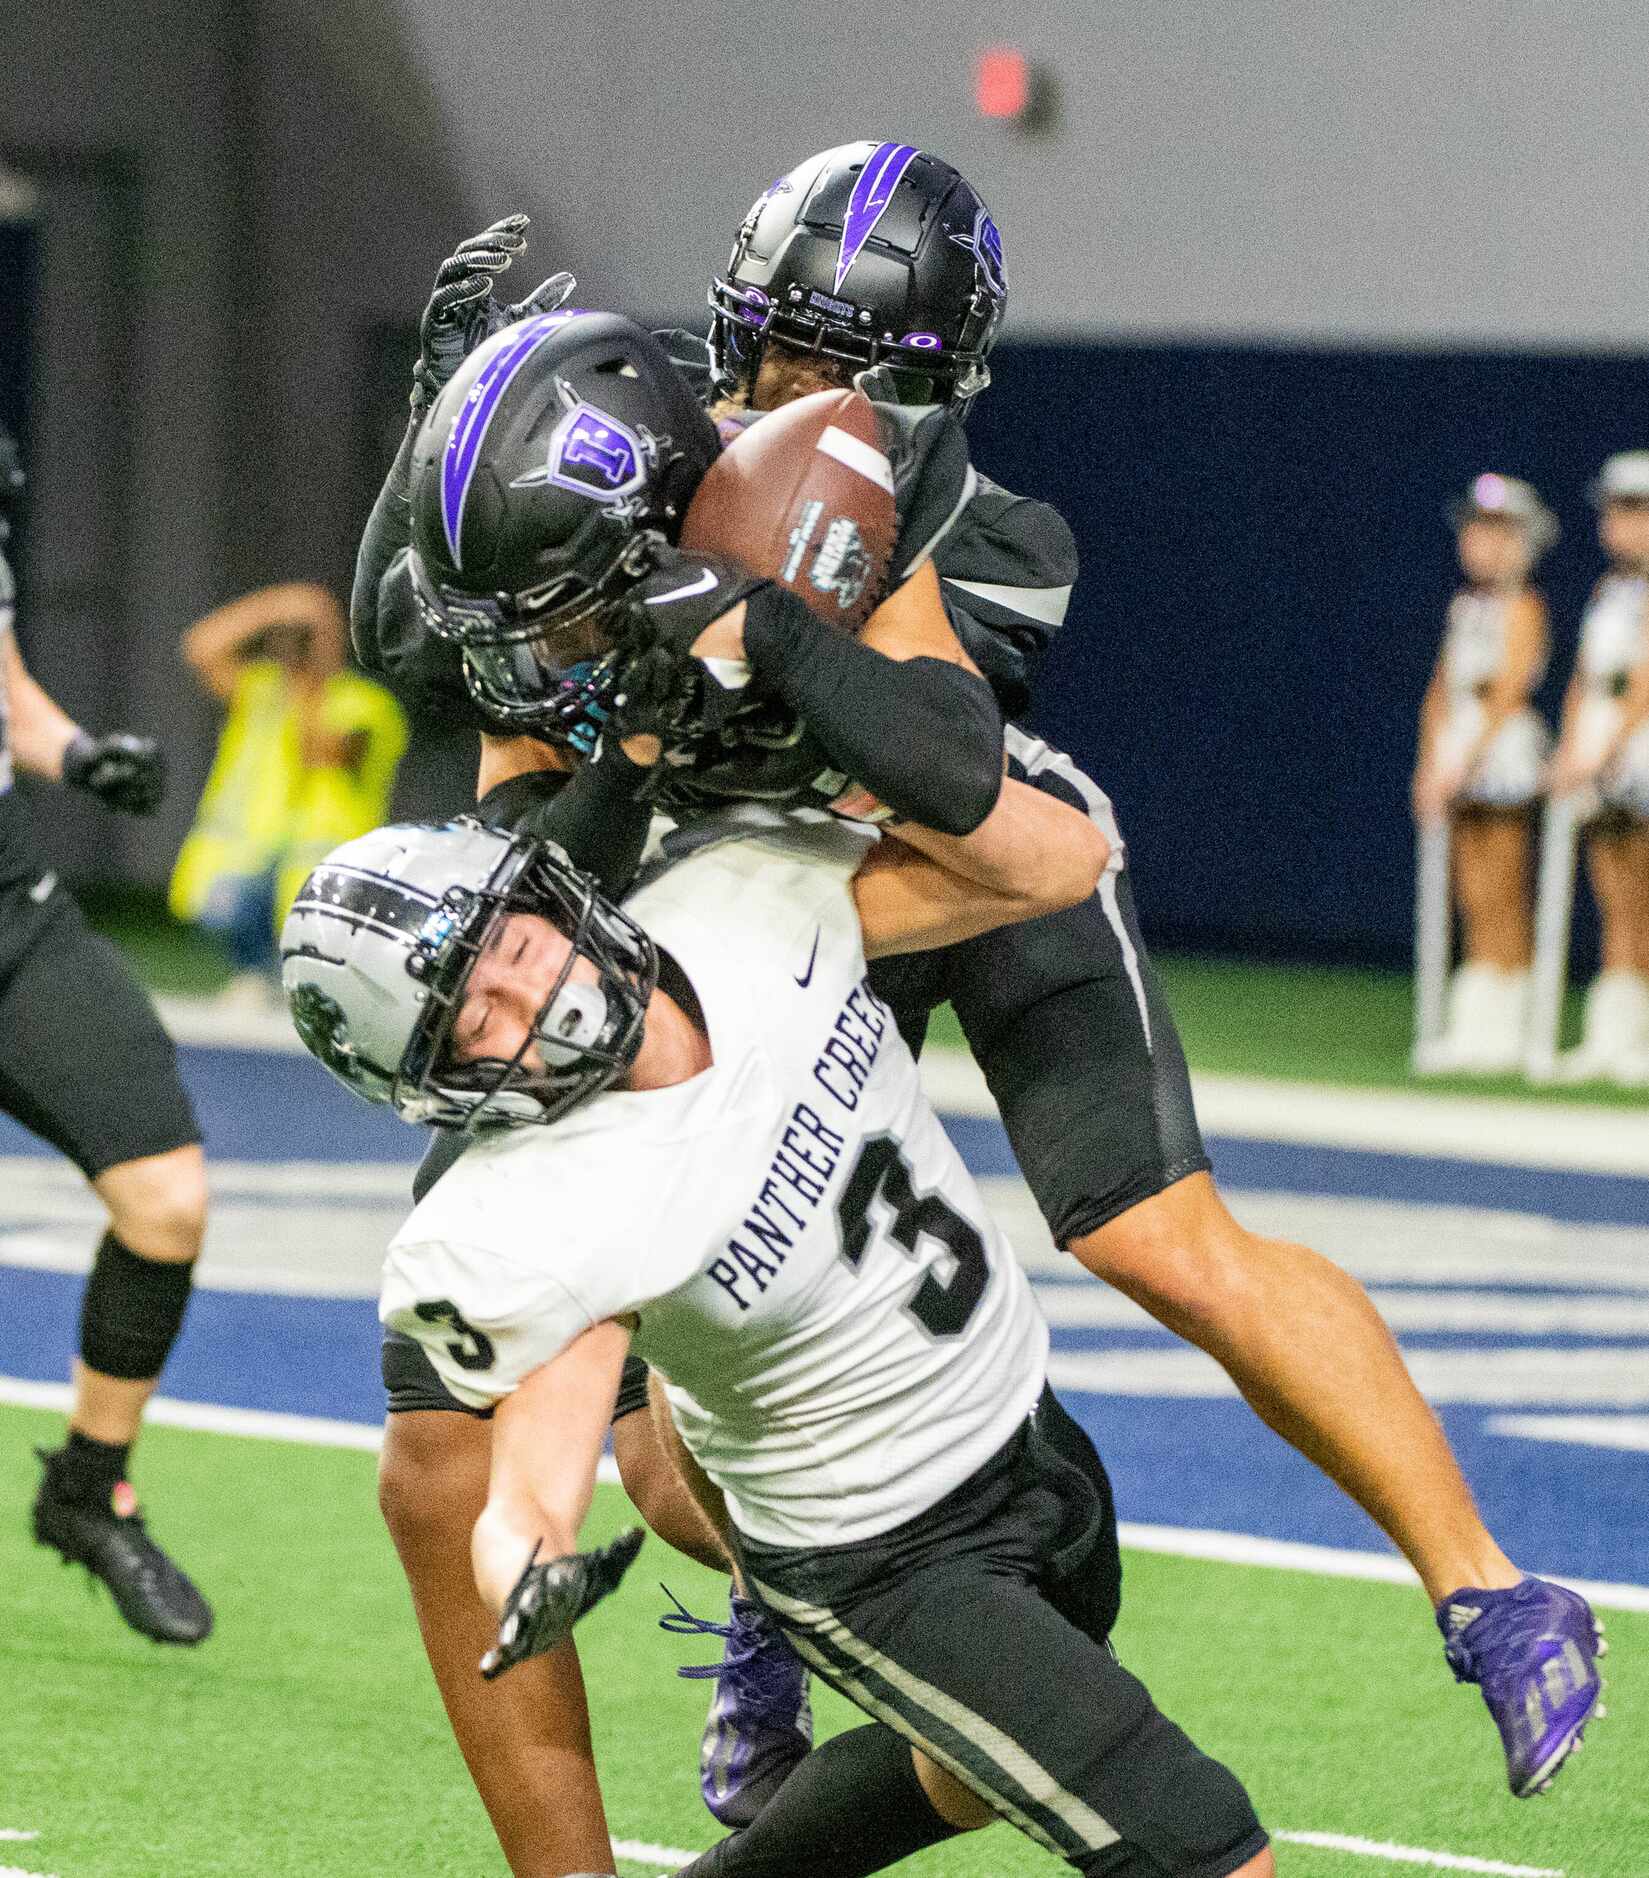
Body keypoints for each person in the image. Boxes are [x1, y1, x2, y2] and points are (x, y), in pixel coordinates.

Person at [351, 157, 1602, 1867]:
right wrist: (507, 538)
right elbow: (480, 731)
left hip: (928, 858)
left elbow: (955, 775)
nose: (833, 404)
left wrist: (757, 632)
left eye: (879, 377)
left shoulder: (914, 509)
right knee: (521, 1448)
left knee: (1159, 1234)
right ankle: (766, 1623)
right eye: (795, 359)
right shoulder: (586, 457)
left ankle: (1486, 1587)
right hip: (703, 892)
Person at [279, 795, 1282, 1878]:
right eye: (474, 1019)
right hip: (881, 1555)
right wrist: (523, 1551)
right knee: (1202, 1847)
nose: (535, 997)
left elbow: (1060, 863)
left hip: (1024, 1431)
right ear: (447, 1083)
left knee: (964, 1776)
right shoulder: (529, 1208)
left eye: (513, 947)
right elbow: (535, 1455)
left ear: (549, 894)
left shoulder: (738, 896)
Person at [0, 422, 212, 1642]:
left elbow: (7, 690)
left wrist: (76, 754)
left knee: (165, 1198)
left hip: (8, 914)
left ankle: (86, 1491)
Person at [170, 580, 406, 1007]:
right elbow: (200, 647)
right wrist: (278, 605)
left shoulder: (366, 704)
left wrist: (318, 665)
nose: (294, 647)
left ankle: (308, 987)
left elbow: (323, 751)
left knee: (315, 940)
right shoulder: (262, 690)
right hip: (252, 860)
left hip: (325, 870)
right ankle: (258, 975)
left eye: (306, 638)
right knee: (224, 909)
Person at [1412, 473, 1555, 1073]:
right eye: (1475, 532)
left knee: (1502, 886)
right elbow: (1442, 689)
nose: (1481, 544)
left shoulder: (1525, 608)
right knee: (1469, 890)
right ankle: (1476, 1016)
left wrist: (1463, 760)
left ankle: (1509, 1019)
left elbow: (1506, 693)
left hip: (1497, 753)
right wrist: (1430, 763)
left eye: (1497, 533)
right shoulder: (1466, 607)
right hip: (1457, 752)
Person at [1544, 450, 1649, 1082]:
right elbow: (1586, 675)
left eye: (1634, 510)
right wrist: (1572, 747)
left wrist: (1606, 751)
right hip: (1603, 743)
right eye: (1614, 510)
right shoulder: (1609, 590)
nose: (1618, 522)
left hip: (1638, 744)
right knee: (1611, 890)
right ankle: (1614, 1029)